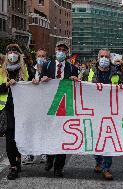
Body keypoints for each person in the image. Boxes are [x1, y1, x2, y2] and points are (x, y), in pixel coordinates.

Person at [41, 41, 78, 178]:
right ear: (55, 50)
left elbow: (76, 88)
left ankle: (59, 167)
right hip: (50, 105)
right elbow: (40, 84)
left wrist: (75, 80)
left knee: (62, 136)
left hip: (64, 106)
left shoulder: (72, 68)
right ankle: (50, 157)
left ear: (66, 53)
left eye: (64, 49)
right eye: (59, 49)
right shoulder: (47, 65)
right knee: (50, 133)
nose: (61, 51)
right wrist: (42, 79)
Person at [0, 44, 31, 180]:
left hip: (23, 110)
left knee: (20, 138)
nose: (12, 54)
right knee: (10, 139)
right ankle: (13, 166)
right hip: (7, 110)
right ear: (6, 55)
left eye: (15, 51)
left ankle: (18, 161)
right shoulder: (1, 71)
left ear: (19, 55)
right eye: (10, 52)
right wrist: (6, 85)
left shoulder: (26, 70)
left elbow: (33, 87)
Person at [88, 48, 118, 180]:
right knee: (96, 138)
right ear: (98, 58)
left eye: (107, 56)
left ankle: (106, 167)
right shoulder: (89, 72)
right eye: (102, 56)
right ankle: (98, 161)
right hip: (94, 110)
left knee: (108, 139)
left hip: (111, 111)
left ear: (110, 58)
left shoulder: (118, 72)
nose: (104, 58)